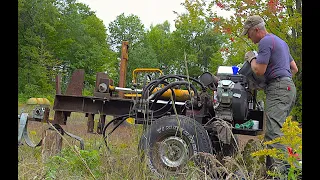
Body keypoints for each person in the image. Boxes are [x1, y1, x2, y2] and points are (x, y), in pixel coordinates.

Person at [241, 15, 299, 174]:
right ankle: (271, 172)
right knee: (275, 133)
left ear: (256, 30)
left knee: (273, 133)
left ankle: (283, 174)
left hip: (279, 89)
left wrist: (252, 58)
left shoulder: (265, 42)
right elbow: (294, 69)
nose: (249, 37)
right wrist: (281, 81)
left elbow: (259, 70)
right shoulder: (281, 42)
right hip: (288, 89)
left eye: (249, 33)